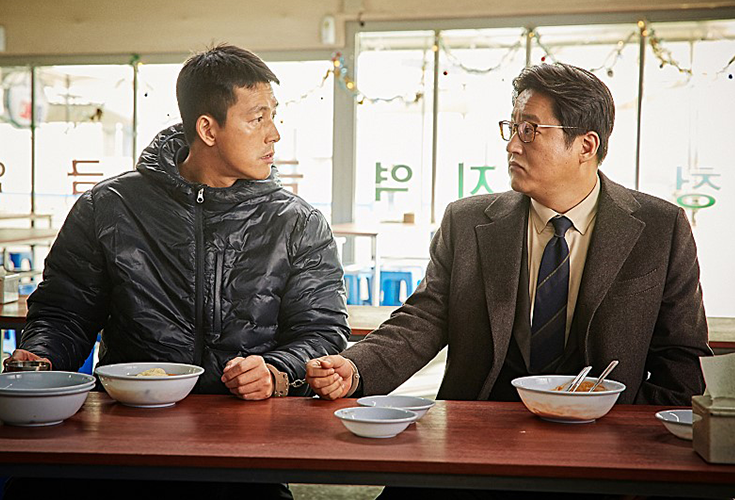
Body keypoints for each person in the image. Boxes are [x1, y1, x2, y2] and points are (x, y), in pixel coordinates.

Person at [305, 63, 712, 499]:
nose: (513, 144)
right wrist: (355, 368)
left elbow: (681, 359)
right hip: (473, 440)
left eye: (531, 130)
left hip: (602, 452)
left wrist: (630, 444)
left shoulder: (660, 229)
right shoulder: (467, 222)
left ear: (586, 145)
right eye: (513, 127)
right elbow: (423, 319)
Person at [4, 43, 349, 499]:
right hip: (125, 430)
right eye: (257, 118)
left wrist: (276, 370)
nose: (275, 134)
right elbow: (64, 312)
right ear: (207, 128)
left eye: (273, 116)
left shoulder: (298, 222)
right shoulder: (108, 207)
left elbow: (322, 330)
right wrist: (41, 355)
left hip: (243, 440)